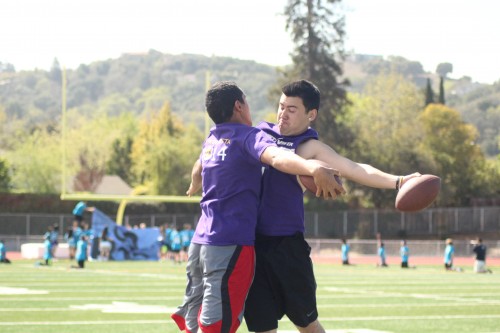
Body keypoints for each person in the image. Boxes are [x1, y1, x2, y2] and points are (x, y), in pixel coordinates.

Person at [243, 80, 420, 333]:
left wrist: (399, 181)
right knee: (261, 327)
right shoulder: (260, 134)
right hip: (251, 244)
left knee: (307, 325)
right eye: (281, 106)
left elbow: (354, 168)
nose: (283, 113)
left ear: (311, 114)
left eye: (292, 109)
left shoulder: (309, 147)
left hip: (287, 247)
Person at [171, 81, 342, 333]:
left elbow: (198, 166)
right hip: (230, 243)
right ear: (239, 106)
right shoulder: (248, 136)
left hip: (200, 243)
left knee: (195, 321)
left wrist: (195, 179)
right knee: (216, 325)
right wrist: (313, 167)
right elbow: (275, 157)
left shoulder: (213, 137)